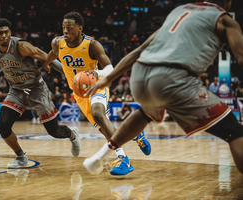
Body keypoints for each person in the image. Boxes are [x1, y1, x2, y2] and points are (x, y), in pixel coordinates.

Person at [84, 0, 243, 175]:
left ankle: (100, 156)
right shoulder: (225, 20)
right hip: (172, 78)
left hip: (139, 76)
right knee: (234, 132)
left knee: (146, 112)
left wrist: (108, 79)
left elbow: (140, 50)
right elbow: (241, 58)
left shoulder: (179, 11)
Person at [0, 18, 81, 169]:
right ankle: (21, 156)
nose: (4, 35)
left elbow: (47, 57)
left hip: (37, 89)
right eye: (0, 33)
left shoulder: (21, 46)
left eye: (6, 32)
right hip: (16, 91)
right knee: (3, 126)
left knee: (54, 131)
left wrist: (72, 76)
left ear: (10, 33)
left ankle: (72, 134)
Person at [43, 12, 151, 175]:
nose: (66, 31)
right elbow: (52, 55)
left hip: (96, 84)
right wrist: (46, 63)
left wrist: (97, 74)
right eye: (64, 28)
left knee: (98, 114)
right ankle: (135, 133)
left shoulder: (92, 45)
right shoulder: (58, 43)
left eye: (70, 28)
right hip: (79, 93)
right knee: (103, 126)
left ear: (80, 28)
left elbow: (110, 69)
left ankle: (124, 160)